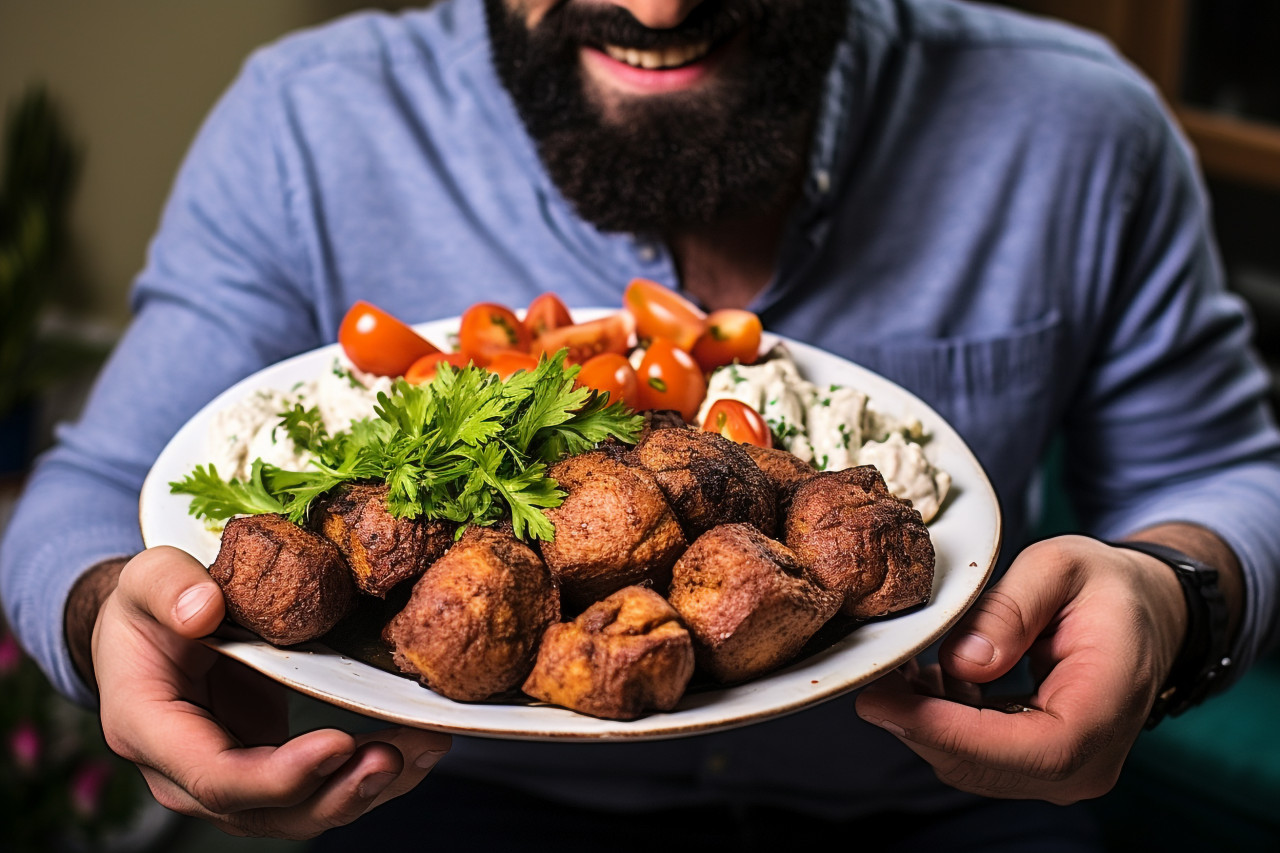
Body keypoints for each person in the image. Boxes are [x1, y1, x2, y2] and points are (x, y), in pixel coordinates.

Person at [3, 0, 1279, 848]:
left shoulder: (1079, 127)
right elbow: (89, 493)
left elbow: (1220, 472)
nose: (659, 6)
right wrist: (109, 609)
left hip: (942, 807)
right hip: (455, 806)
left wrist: (1174, 596)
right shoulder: (303, 124)